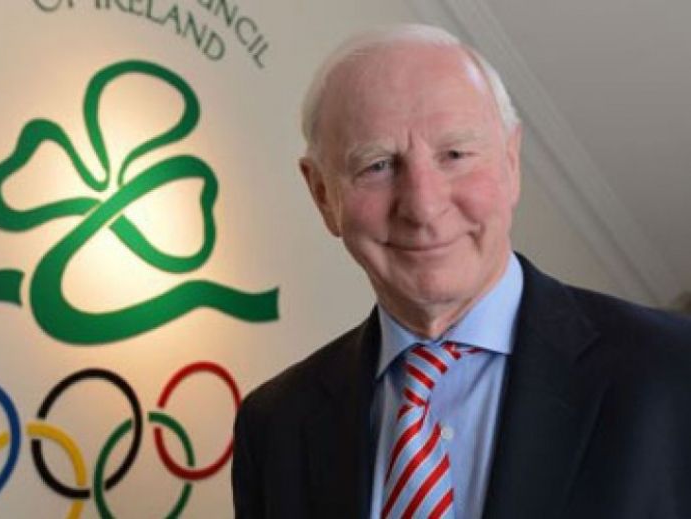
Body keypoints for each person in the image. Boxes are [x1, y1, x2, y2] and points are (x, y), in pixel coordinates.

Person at [232, 23, 691, 519]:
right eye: (378, 165)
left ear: (511, 162)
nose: (423, 207)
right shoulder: (273, 427)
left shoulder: (673, 371)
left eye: (454, 155)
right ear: (322, 194)